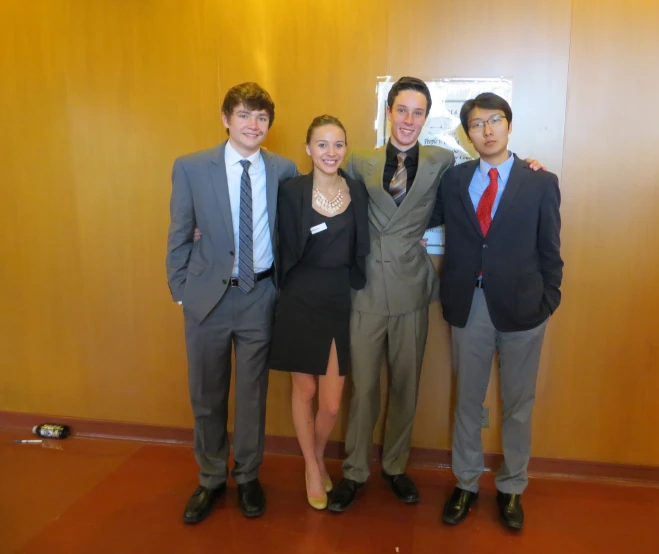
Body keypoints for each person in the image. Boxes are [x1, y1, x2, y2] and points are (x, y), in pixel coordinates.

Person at [428, 92, 563, 530]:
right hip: (470, 306)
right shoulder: (454, 179)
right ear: (467, 134)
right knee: (467, 401)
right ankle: (465, 484)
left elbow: (550, 249)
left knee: (518, 405)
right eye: (476, 124)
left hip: (525, 309)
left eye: (494, 121)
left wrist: (549, 300)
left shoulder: (539, 181)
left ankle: (511, 488)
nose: (486, 130)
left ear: (508, 125)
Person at [166, 82, 298, 524]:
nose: (253, 125)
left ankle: (247, 476)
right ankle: (209, 477)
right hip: (208, 297)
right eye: (244, 115)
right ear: (226, 119)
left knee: (252, 394)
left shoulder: (283, 170)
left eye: (261, 117)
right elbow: (180, 234)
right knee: (206, 393)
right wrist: (183, 290)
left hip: (259, 293)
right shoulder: (191, 167)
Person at [327, 77, 455, 512]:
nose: (409, 121)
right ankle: (355, 471)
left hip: (412, 290)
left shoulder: (442, 160)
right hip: (364, 290)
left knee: (406, 384)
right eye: (402, 110)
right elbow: (324, 196)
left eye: (418, 112)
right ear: (388, 111)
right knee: (362, 388)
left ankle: (396, 466)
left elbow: (468, 190)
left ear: (426, 117)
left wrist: (525, 164)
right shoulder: (358, 159)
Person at [269, 115, 369, 511]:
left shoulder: (358, 191)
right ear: (308, 149)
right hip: (298, 297)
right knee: (304, 390)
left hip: (338, 299)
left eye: (338, 144)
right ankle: (313, 466)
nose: (331, 152)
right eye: (322, 144)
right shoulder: (290, 191)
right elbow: (265, 231)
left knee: (329, 402)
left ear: (346, 149)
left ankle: (317, 452)